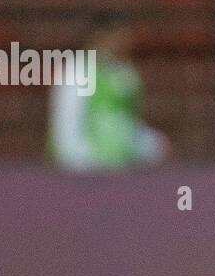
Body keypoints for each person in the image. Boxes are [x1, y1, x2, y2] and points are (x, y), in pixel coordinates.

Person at [48, 15, 167, 170]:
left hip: (120, 171)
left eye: (126, 38)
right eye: (118, 37)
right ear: (99, 37)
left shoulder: (126, 75)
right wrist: (84, 166)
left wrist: (154, 145)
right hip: (86, 173)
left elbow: (128, 125)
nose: (124, 43)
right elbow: (67, 128)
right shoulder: (78, 72)